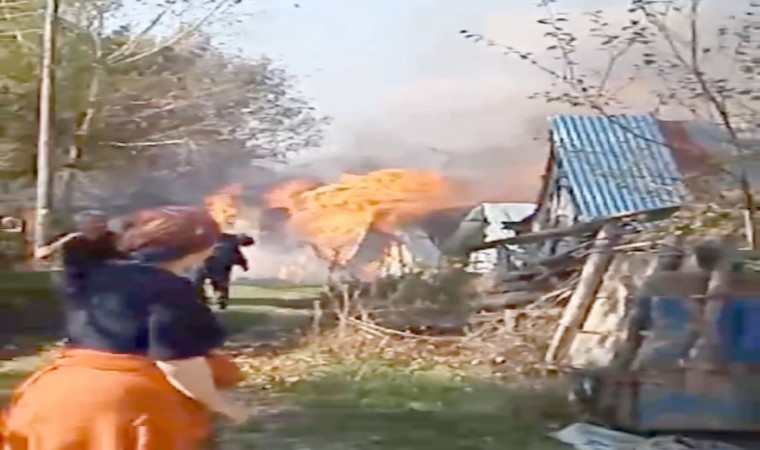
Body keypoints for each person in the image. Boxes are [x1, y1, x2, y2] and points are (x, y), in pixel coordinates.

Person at [1, 207, 250, 449]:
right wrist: (222, 406)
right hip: (122, 407)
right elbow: (178, 363)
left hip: (51, 395)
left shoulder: (94, 272)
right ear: (200, 248)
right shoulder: (170, 288)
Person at [35, 210, 125, 291]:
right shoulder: (72, 241)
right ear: (81, 226)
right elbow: (43, 254)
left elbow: (124, 255)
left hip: (110, 281)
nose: (99, 225)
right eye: (93, 222)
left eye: (102, 222)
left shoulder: (112, 238)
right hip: (79, 282)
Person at [193, 233, 255, 309]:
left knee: (199, 282)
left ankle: (205, 299)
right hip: (218, 265)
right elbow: (238, 255)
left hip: (207, 263)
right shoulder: (230, 241)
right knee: (219, 282)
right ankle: (219, 298)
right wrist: (244, 265)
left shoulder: (221, 239)